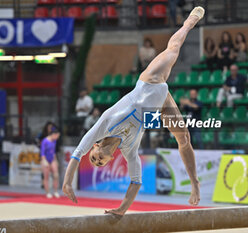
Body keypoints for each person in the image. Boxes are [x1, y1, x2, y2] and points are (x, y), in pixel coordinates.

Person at [63, 7, 205, 216]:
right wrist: (121, 210)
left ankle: (189, 23)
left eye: (94, 158)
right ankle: (196, 183)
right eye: (100, 163)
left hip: (149, 82)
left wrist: (67, 183)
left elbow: (77, 153)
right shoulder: (128, 150)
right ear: (110, 160)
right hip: (158, 105)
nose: (98, 160)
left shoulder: (103, 126)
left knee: (173, 49)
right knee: (183, 138)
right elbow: (136, 182)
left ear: (95, 146)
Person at [41, 127, 61, 199]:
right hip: (45, 159)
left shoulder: (54, 141)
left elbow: (53, 152)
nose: (57, 138)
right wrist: (44, 161)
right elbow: (42, 153)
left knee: (56, 175)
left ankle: (55, 191)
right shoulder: (45, 141)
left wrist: (55, 160)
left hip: (52, 159)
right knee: (46, 177)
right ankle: (48, 192)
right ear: (54, 134)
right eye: (57, 136)